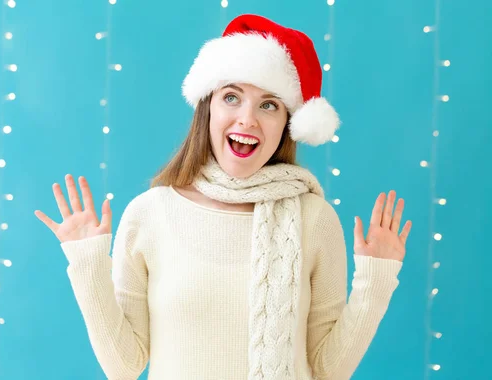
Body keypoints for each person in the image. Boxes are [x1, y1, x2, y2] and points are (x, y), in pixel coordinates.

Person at [34, 14, 412, 380]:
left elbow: (328, 370)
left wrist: (375, 281)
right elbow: (124, 367)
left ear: (286, 125)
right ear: (208, 107)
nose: (247, 119)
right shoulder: (150, 213)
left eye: (269, 105)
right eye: (232, 97)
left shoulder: (314, 218)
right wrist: (87, 265)